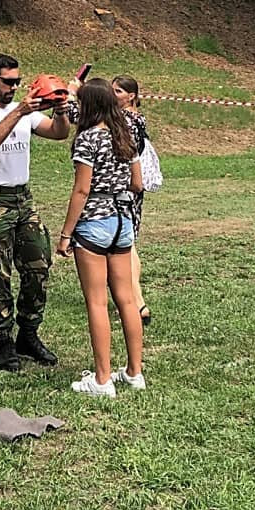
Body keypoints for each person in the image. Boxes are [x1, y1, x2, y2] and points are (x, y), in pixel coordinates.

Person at [0, 54, 71, 373]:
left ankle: (28, 334)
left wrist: (61, 111)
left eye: (17, 82)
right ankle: (4, 342)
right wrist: (20, 110)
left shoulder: (22, 111)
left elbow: (57, 132)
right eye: (8, 82)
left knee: (38, 266)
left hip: (23, 198)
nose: (13, 88)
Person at [56, 79, 146, 398]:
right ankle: (134, 372)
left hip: (94, 223)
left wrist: (66, 234)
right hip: (123, 223)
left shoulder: (88, 139)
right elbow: (138, 182)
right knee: (126, 300)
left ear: (89, 105)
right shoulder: (126, 136)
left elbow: (81, 189)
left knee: (97, 301)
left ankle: (102, 379)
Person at [111, 76, 153, 327]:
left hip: (124, 186)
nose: (113, 94)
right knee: (130, 245)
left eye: (118, 91)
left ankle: (137, 302)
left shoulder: (127, 119)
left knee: (124, 246)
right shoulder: (135, 119)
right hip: (130, 185)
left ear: (132, 96)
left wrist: (72, 95)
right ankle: (136, 300)